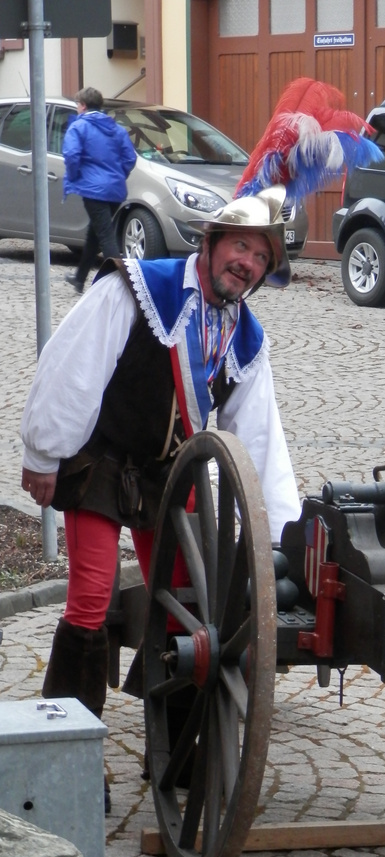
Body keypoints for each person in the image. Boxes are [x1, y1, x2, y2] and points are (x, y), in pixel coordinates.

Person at [20, 186, 302, 812]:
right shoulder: (138, 288)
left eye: (261, 256)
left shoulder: (245, 338)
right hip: (99, 460)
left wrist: (282, 536)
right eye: (241, 247)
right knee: (92, 596)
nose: (248, 263)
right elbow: (73, 365)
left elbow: (258, 439)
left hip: (168, 480)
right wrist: (44, 454)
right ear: (211, 244)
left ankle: (172, 750)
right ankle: (67, 757)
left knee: (189, 613)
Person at [62, 86, 137, 294]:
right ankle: (79, 278)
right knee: (94, 234)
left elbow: (71, 155)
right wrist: (118, 176)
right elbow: (130, 158)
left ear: (83, 106)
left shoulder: (79, 127)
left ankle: (124, 283)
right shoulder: (116, 128)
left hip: (93, 189)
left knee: (105, 235)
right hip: (115, 189)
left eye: (78, 104)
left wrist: (77, 176)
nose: (77, 107)